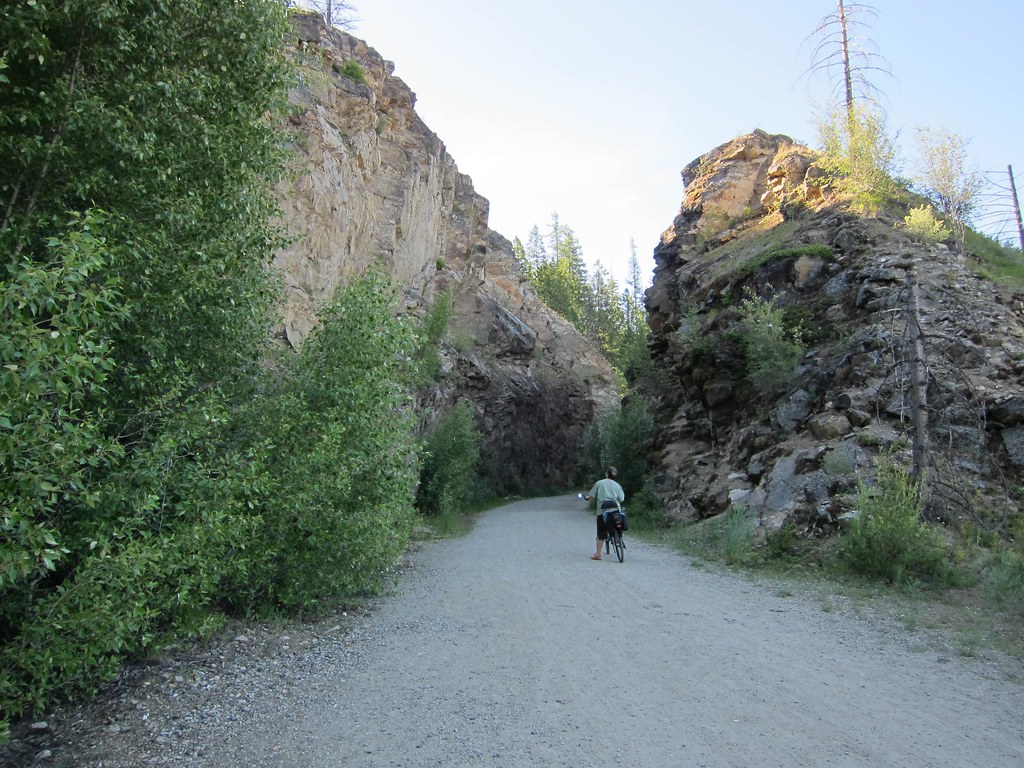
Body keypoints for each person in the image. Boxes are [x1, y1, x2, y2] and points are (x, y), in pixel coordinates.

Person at [583, 466, 625, 560]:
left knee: (601, 531)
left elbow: (591, 496)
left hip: (602, 511)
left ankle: (598, 554)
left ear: (607, 474)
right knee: (617, 522)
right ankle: (618, 538)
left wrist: (586, 498)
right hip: (615, 509)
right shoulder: (618, 486)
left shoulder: (600, 483)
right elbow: (621, 499)